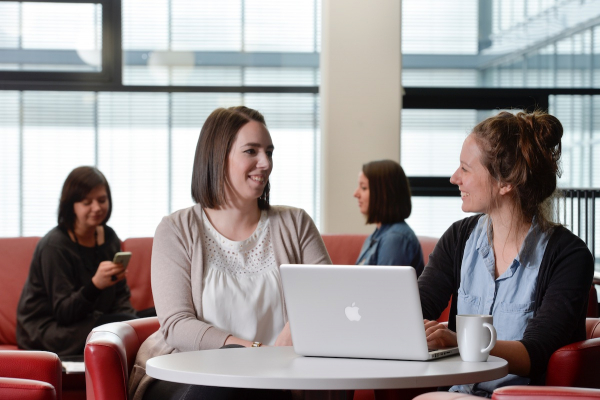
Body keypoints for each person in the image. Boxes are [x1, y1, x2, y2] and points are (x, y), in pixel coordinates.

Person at [128, 106, 331, 400]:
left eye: (269, 152)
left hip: (279, 380)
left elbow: (328, 297)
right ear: (217, 157)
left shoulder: (295, 223)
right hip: (189, 375)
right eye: (251, 151)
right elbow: (177, 325)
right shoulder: (175, 229)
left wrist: (291, 338)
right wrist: (256, 354)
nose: (265, 162)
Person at [419, 111, 594, 397]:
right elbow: (415, 308)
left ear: (505, 183)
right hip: (455, 394)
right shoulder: (458, 238)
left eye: (465, 168)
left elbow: (535, 354)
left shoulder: (568, 256)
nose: (454, 178)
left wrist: (461, 342)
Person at [17, 166, 139, 356]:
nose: (97, 208)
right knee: (114, 327)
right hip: (49, 329)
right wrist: (95, 285)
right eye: (86, 202)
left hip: (92, 320)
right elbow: (64, 313)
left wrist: (133, 323)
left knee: (154, 318)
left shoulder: (109, 237)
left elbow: (120, 295)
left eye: (102, 200)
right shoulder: (54, 245)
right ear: (71, 205)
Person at [354, 159, 424, 276]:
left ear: (383, 194)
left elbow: (385, 291)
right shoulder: (377, 235)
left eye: (364, 188)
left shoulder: (395, 239)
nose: (356, 194)